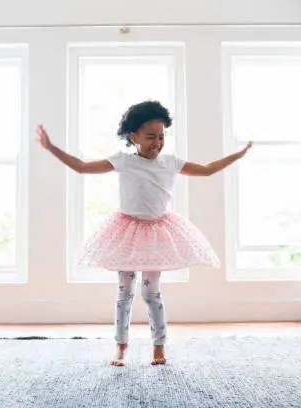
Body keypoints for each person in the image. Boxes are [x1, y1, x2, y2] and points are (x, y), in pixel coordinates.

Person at [37, 100, 253, 366]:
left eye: (161, 136)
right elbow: (82, 167)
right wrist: (52, 148)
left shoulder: (171, 163)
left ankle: (159, 346)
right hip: (126, 233)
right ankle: (121, 346)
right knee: (124, 292)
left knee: (151, 293)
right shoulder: (123, 161)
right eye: (151, 137)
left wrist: (237, 155)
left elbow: (207, 170)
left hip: (157, 235)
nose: (157, 142)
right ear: (133, 137)